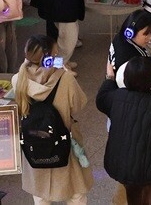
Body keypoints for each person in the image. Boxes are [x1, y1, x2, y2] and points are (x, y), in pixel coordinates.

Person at [12, 35, 93, 204]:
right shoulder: (65, 79)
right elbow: (78, 105)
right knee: (76, 193)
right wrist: (65, 72)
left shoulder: (17, 79)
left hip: (34, 143)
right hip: (63, 141)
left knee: (40, 195)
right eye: (55, 54)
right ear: (48, 59)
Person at [97, 56, 151, 204]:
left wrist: (110, 77)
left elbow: (101, 99)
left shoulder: (116, 97)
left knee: (127, 194)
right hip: (148, 170)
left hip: (118, 164)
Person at [108, 10, 151, 92]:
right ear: (131, 32)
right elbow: (140, 93)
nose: (149, 39)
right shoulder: (133, 60)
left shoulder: (119, 38)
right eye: (146, 34)